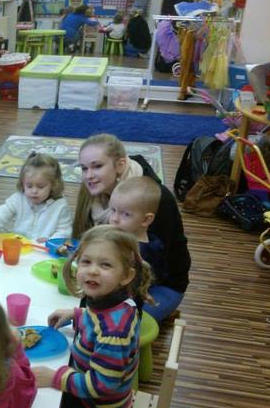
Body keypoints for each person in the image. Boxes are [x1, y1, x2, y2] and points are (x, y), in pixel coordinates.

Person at [32, 225, 153, 408]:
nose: (93, 271)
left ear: (126, 276)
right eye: (86, 262)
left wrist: (55, 378)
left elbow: (102, 386)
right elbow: (98, 319)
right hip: (90, 386)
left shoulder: (113, 332)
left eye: (105, 265)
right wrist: (77, 314)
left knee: (34, 402)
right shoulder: (113, 301)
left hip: (94, 406)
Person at [72, 133, 190, 320]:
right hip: (113, 271)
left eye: (97, 166)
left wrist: (91, 305)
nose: (89, 175)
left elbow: (153, 271)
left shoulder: (158, 200)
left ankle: (164, 310)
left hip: (156, 284)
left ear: (120, 165)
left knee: (112, 322)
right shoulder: (95, 189)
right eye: (84, 168)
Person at [108, 177, 180, 320]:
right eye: (113, 210)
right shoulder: (130, 238)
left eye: (126, 214)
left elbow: (129, 291)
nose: (115, 218)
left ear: (146, 220)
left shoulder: (140, 253)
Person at [0, 152, 72, 241]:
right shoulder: (18, 199)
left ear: (53, 185)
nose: (34, 191)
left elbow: (65, 231)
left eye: (40, 187)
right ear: (23, 183)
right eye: (29, 186)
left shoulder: (60, 206)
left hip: (44, 251)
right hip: (19, 246)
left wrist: (50, 241)